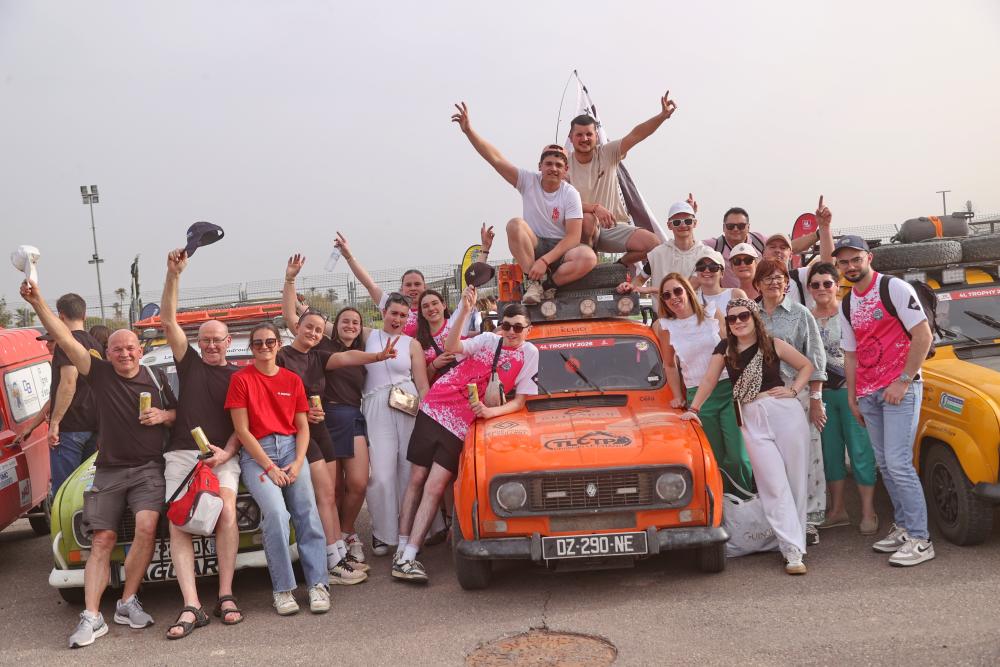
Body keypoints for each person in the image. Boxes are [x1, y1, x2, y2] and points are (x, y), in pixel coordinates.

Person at [20, 280, 173, 648]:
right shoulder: (100, 374)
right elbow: (65, 338)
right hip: (108, 469)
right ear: (107, 352)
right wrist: (38, 302)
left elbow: (181, 414)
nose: (124, 354)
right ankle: (91, 615)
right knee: (101, 539)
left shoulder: (156, 378)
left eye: (130, 348)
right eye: (117, 348)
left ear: (140, 350)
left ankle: (127, 602)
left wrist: (164, 415)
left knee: (146, 527)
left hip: (148, 469)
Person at [394, 288, 539, 583]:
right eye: (507, 325)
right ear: (501, 325)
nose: (512, 332)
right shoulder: (488, 340)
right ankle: (401, 549)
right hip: (435, 407)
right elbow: (452, 345)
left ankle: (409, 554)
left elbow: (520, 402)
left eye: (518, 327)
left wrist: (489, 412)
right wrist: (463, 309)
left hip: (462, 425)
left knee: (435, 486)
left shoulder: (530, 354)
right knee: (416, 479)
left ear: (529, 329)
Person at [682, 298, 815, 574]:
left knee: (795, 481)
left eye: (743, 316)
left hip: (784, 412)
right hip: (750, 416)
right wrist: (693, 409)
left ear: (755, 318)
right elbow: (708, 380)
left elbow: (806, 366)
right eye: (732, 318)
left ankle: (795, 542)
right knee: (772, 484)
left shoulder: (773, 344)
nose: (738, 322)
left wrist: (793, 390)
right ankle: (792, 549)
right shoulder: (725, 349)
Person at [160, 249, 244, 637]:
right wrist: (174, 275)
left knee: (226, 513)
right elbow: (168, 319)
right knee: (179, 522)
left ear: (229, 341)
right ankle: (192, 605)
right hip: (182, 455)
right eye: (205, 340)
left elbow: (245, 425)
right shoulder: (189, 363)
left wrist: (228, 452)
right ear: (198, 342)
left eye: (217, 340)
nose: (211, 345)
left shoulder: (241, 377)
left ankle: (225, 594)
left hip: (222, 455)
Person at [836, 236, 935, 566]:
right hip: (868, 394)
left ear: (869, 258)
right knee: (886, 465)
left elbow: (923, 335)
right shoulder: (847, 303)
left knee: (898, 463)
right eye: (844, 262)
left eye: (855, 259)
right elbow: (851, 355)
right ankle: (904, 528)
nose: (850, 266)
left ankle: (921, 539)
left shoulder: (894, 288)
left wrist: (903, 381)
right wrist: (853, 397)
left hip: (899, 391)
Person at [281, 256, 380, 583]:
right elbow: (291, 317)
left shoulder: (318, 356)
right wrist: (290, 280)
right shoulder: (290, 355)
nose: (312, 332)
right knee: (326, 494)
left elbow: (350, 356)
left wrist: (378, 355)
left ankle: (338, 555)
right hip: (303, 430)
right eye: (308, 327)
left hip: (322, 426)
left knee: (329, 494)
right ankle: (332, 559)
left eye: (317, 329)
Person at [452, 101, 595, 304]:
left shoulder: (570, 193)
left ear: (566, 171)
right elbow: (495, 159)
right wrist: (469, 131)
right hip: (534, 244)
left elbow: (572, 237)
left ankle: (548, 285)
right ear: (540, 166)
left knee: (589, 258)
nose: (553, 169)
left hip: (561, 249)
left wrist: (545, 261)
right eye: (548, 164)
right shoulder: (528, 181)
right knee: (515, 225)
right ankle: (533, 282)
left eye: (558, 165)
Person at [653, 274, 753, 495]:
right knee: (713, 456)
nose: (673, 298)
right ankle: (722, 505)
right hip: (698, 396)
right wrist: (678, 396)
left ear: (687, 291)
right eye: (666, 295)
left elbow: (732, 347)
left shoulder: (711, 313)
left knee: (738, 457)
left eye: (677, 291)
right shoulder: (666, 327)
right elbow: (669, 365)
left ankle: (746, 501)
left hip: (728, 389)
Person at [754, 259, 828, 544]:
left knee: (808, 458)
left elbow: (815, 358)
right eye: (768, 278)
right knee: (772, 460)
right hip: (763, 396)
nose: (774, 282)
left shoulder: (800, 313)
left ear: (787, 282)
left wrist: (816, 399)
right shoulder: (750, 315)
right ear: (757, 284)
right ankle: (780, 519)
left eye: (780, 277)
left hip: (797, 392)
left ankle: (809, 520)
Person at [807, 261, 878, 535]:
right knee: (830, 453)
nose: (822, 288)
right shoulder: (805, 317)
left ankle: (868, 511)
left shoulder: (850, 312)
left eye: (827, 283)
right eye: (816, 284)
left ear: (837, 286)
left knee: (861, 452)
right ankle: (837, 510)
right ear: (809, 289)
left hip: (852, 392)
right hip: (822, 395)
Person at [362, 292, 432, 556]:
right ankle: (382, 532)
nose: (398, 319)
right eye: (394, 313)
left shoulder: (412, 344)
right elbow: (327, 327)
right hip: (376, 405)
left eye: (403, 315)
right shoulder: (368, 336)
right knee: (381, 474)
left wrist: (427, 416)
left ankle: (410, 531)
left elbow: (422, 384)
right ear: (384, 312)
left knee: (408, 469)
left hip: (408, 405)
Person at [566, 93, 673, 265]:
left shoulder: (607, 153)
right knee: (587, 219)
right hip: (580, 229)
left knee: (653, 243)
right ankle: (586, 266)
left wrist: (661, 117)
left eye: (589, 134)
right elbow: (561, 202)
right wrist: (594, 208)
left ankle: (616, 268)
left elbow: (637, 135)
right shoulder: (563, 164)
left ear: (596, 136)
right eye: (579, 135)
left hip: (612, 226)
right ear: (571, 137)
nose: (584, 139)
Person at [47, 293, 103, 499]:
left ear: (61, 316)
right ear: (84, 315)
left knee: (65, 492)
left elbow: (68, 382)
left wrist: (55, 422)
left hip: (70, 428)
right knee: (88, 491)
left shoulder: (67, 343)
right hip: (94, 426)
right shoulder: (95, 344)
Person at [335, 231, 427, 337]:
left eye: (417, 284)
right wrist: (349, 257)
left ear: (424, 287)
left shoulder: (431, 309)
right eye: (408, 285)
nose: (413, 288)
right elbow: (370, 285)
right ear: (402, 288)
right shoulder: (390, 304)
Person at [704, 206, 818, 289]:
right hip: (731, 304)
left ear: (748, 227)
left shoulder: (758, 240)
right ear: (724, 227)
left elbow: (789, 247)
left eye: (741, 226)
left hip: (762, 298)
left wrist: (819, 233)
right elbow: (693, 247)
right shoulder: (715, 246)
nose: (735, 229)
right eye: (730, 226)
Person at [626, 200, 714, 295]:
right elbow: (640, 279)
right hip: (662, 305)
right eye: (676, 222)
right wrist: (629, 288)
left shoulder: (706, 254)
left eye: (688, 221)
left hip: (695, 305)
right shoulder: (658, 254)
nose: (683, 225)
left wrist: (651, 289)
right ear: (669, 225)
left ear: (695, 223)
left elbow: (689, 288)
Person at [761, 196, 835, 308]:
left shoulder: (800, 277)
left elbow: (828, 267)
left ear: (791, 255)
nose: (778, 251)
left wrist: (824, 228)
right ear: (763, 253)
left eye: (783, 248)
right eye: (772, 247)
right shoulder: (756, 281)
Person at [693, 249, 747, 313]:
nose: (706, 270)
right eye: (701, 266)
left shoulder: (736, 295)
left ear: (722, 273)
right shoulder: (690, 299)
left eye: (713, 267)